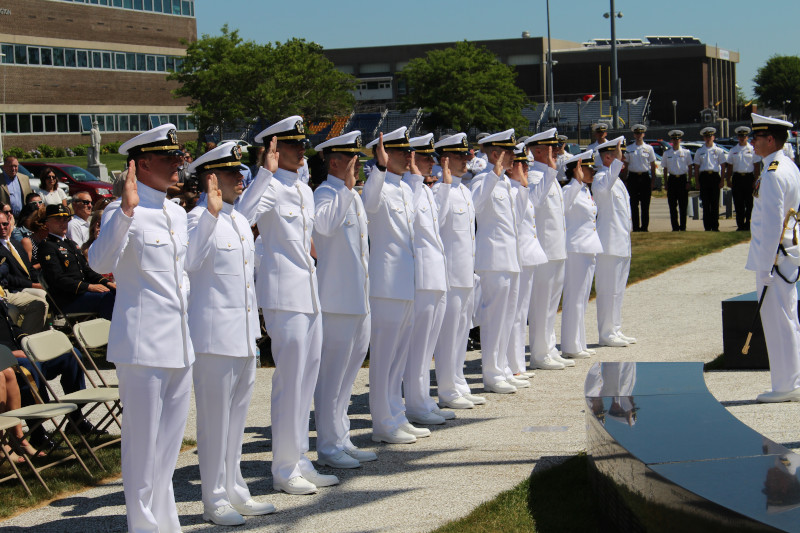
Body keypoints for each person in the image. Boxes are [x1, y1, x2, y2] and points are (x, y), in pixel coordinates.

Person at [88, 123, 196, 532]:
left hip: (179, 343)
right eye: (170, 158)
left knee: (169, 444)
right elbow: (99, 264)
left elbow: (180, 277)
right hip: (142, 344)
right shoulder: (122, 211)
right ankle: (142, 525)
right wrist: (128, 209)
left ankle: (164, 521)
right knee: (141, 443)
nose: (178, 164)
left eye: (179, 157)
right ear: (143, 163)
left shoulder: (176, 211)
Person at [184, 141, 276, 525]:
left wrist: (267, 171)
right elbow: (188, 261)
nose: (241, 178)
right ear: (211, 178)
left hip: (242, 335)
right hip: (212, 338)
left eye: (242, 171)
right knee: (214, 422)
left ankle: (235, 487)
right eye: (232, 172)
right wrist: (209, 212)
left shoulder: (239, 220)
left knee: (237, 419)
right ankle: (214, 497)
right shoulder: (196, 218)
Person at [250, 116, 337, 495]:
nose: (303, 149)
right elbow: (243, 216)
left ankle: (300, 458)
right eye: (293, 144)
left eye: (302, 143)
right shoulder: (268, 187)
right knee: (290, 380)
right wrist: (264, 175)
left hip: (308, 291)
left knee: (306, 379)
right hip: (283, 295)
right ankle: (284, 468)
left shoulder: (301, 189)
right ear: (273, 149)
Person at [311, 131, 377, 468]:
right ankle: (327, 446)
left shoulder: (351, 196)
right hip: (335, 302)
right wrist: (347, 189)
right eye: (352, 159)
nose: (358, 165)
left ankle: (341, 437)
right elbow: (322, 226)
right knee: (330, 379)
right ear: (334, 162)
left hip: (357, 299)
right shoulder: (325, 194)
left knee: (348, 376)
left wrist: (350, 191)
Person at [362, 127, 418, 443]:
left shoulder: (406, 190)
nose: (410, 156)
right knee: (383, 359)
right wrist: (379, 168)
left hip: (405, 281)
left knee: (398, 358)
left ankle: (396, 414)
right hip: (385, 285)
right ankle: (382, 423)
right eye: (402, 151)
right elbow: (369, 203)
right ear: (385, 155)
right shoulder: (378, 187)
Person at [745, 114, 800, 403]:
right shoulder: (787, 165)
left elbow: (771, 224)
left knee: (778, 321)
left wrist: (765, 266)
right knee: (788, 318)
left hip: (776, 259)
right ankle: (792, 380)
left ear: (770, 139)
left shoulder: (774, 173)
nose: (752, 141)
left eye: (756, 137)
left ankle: (784, 386)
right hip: (787, 254)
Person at [403, 134, 454, 428]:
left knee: (428, 345)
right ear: (412, 160)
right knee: (418, 345)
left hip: (436, 274)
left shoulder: (425, 191)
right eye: (425, 159)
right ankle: (414, 403)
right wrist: (412, 178)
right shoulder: (409, 190)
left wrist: (444, 186)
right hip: (421, 277)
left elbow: (441, 222)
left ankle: (423, 400)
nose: (431, 164)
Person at [432, 133, 485, 409]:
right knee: (448, 335)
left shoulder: (464, 190)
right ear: (444, 159)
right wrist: (443, 184)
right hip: (450, 274)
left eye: (467, 155)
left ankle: (459, 382)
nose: (467, 160)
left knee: (462, 331)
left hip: (466, 273)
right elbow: (437, 226)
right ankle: (447, 390)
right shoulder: (439, 191)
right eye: (460, 156)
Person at [472, 129, 526, 394]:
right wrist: (493, 173)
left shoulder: (504, 182)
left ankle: (503, 367)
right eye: (509, 152)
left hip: (510, 258)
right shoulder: (484, 180)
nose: (514, 157)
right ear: (495, 154)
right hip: (493, 259)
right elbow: (475, 205)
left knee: (507, 317)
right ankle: (491, 374)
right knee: (493, 318)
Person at [526, 129, 570, 370]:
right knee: (541, 305)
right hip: (544, 251)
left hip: (556, 249)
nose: (556, 150)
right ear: (538, 150)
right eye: (551, 147)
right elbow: (532, 202)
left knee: (552, 305)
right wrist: (551, 172)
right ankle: (539, 353)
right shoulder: (535, 176)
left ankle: (550, 348)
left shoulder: (549, 176)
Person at [506, 142, 548, 380]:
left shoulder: (520, 189)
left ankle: (517, 363)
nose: (523, 167)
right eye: (519, 163)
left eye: (524, 163)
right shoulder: (512, 190)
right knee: (514, 313)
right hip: (518, 255)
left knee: (521, 313)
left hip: (528, 254)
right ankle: (512, 364)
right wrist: (523, 184)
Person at [561, 150, 606, 358]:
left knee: (583, 297)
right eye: (588, 169)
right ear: (577, 170)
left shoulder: (585, 191)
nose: (592, 173)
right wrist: (577, 181)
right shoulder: (570, 189)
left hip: (588, 248)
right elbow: (563, 207)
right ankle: (570, 345)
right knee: (574, 298)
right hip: (576, 249)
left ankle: (578, 341)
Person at [594, 137, 635, 348]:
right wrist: (616, 165)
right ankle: (606, 333)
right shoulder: (601, 178)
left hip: (621, 242)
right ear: (608, 157)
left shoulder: (616, 181)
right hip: (608, 244)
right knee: (607, 290)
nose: (623, 158)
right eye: (619, 155)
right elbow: (604, 188)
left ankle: (615, 329)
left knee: (618, 290)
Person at [39, 204, 115, 320]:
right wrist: (88, 287)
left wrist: (107, 283)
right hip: (67, 299)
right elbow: (57, 278)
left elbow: (86, 269)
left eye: (65, 220)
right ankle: (110, 334)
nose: (62, 223)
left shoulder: (71, 244)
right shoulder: (47, 246)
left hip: (81, 293)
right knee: (106, 297)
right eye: (57, 220)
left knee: (117, 292)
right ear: (47, 223)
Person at [0, 210, 48, 334]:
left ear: (9, 224)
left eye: (5, 224)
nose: (2, 227)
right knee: (41, 298)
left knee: (46, 295)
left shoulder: (15, 244)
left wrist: (43, 282)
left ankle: (37, 334)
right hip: (13, 288)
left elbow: (29, 268)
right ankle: (24, 339)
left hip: (25, 284)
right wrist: (34, 285)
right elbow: (8, 278)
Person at [724, 126, 761, 231]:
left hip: (749, 178)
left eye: (744, 136)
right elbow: (730, 166)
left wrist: (756, 180)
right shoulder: (733, 150)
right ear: (737, 137)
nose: (742, 138)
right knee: (738, 203)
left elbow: (756, 166)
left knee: (749, 203)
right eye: (740, 136)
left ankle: (748, 225)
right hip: (737, 178)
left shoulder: (752, 150)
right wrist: (729, 179)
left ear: (747, 137)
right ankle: (740, 225)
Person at [692, 126, 726, 231]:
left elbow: (723, 166)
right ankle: (707, 227)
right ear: (703, 138)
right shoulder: (699, 151)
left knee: (715, 203)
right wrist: (697, 182)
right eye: (706, 136)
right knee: (706, 204)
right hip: (704, 177)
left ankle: (715, 226)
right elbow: (696, 168)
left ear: (713, 137)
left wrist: (722, 180)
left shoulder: (719, 151)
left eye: (710, 136)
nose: (708, 138)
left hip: (715, 177)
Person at [624, 124, 657, 232]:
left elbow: (653, 165)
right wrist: (625, 180)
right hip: (633, 177)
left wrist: (653, 181)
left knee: (645, 204)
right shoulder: (629, 149)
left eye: (640, 133)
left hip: (645, 177)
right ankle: (636, 227)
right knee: (633, 204)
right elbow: (626, 166)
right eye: (637, 133)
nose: (639, 135)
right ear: (634, 135)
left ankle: (644, 227)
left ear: (643, 134)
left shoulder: (649, 148)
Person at [661, 130, 693, 231]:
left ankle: (683, 227)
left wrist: (689, 181)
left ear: (680, 140)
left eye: (677, 139)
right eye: (674, 139)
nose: (676, 141)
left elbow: (690, 167)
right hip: (672, 180)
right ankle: (675, 227)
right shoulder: (667, 153)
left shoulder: (686, 152)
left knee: (683, 206)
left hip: (682, 179)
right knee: (672, 206)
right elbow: (665, 169)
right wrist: (665, 182)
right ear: (671, 140)